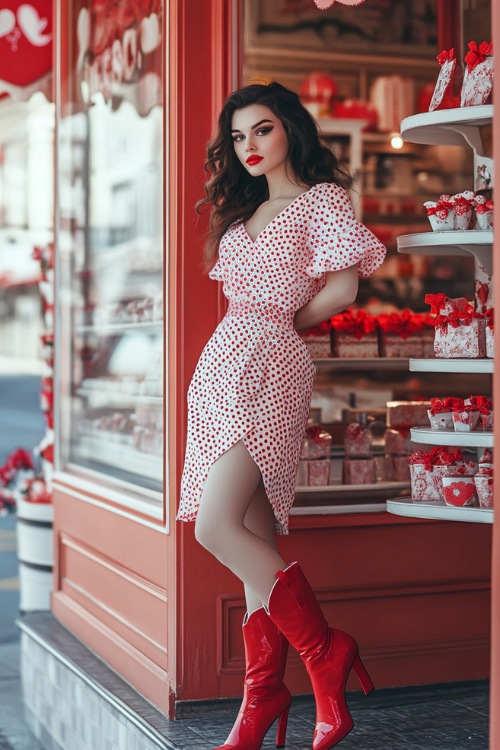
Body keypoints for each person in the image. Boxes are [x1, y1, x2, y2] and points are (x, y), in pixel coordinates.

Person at [177, 82, 386, 750]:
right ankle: (262, 699)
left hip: (270, 363)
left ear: (290, 129)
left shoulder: (321, 201)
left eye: (261, 131)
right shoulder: (244, 214)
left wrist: (280, 325)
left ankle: (325, 650)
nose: (249, 148)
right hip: (221, 368)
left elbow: (344, 286)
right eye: (238, 138)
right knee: (247, 540)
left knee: (216, 526)